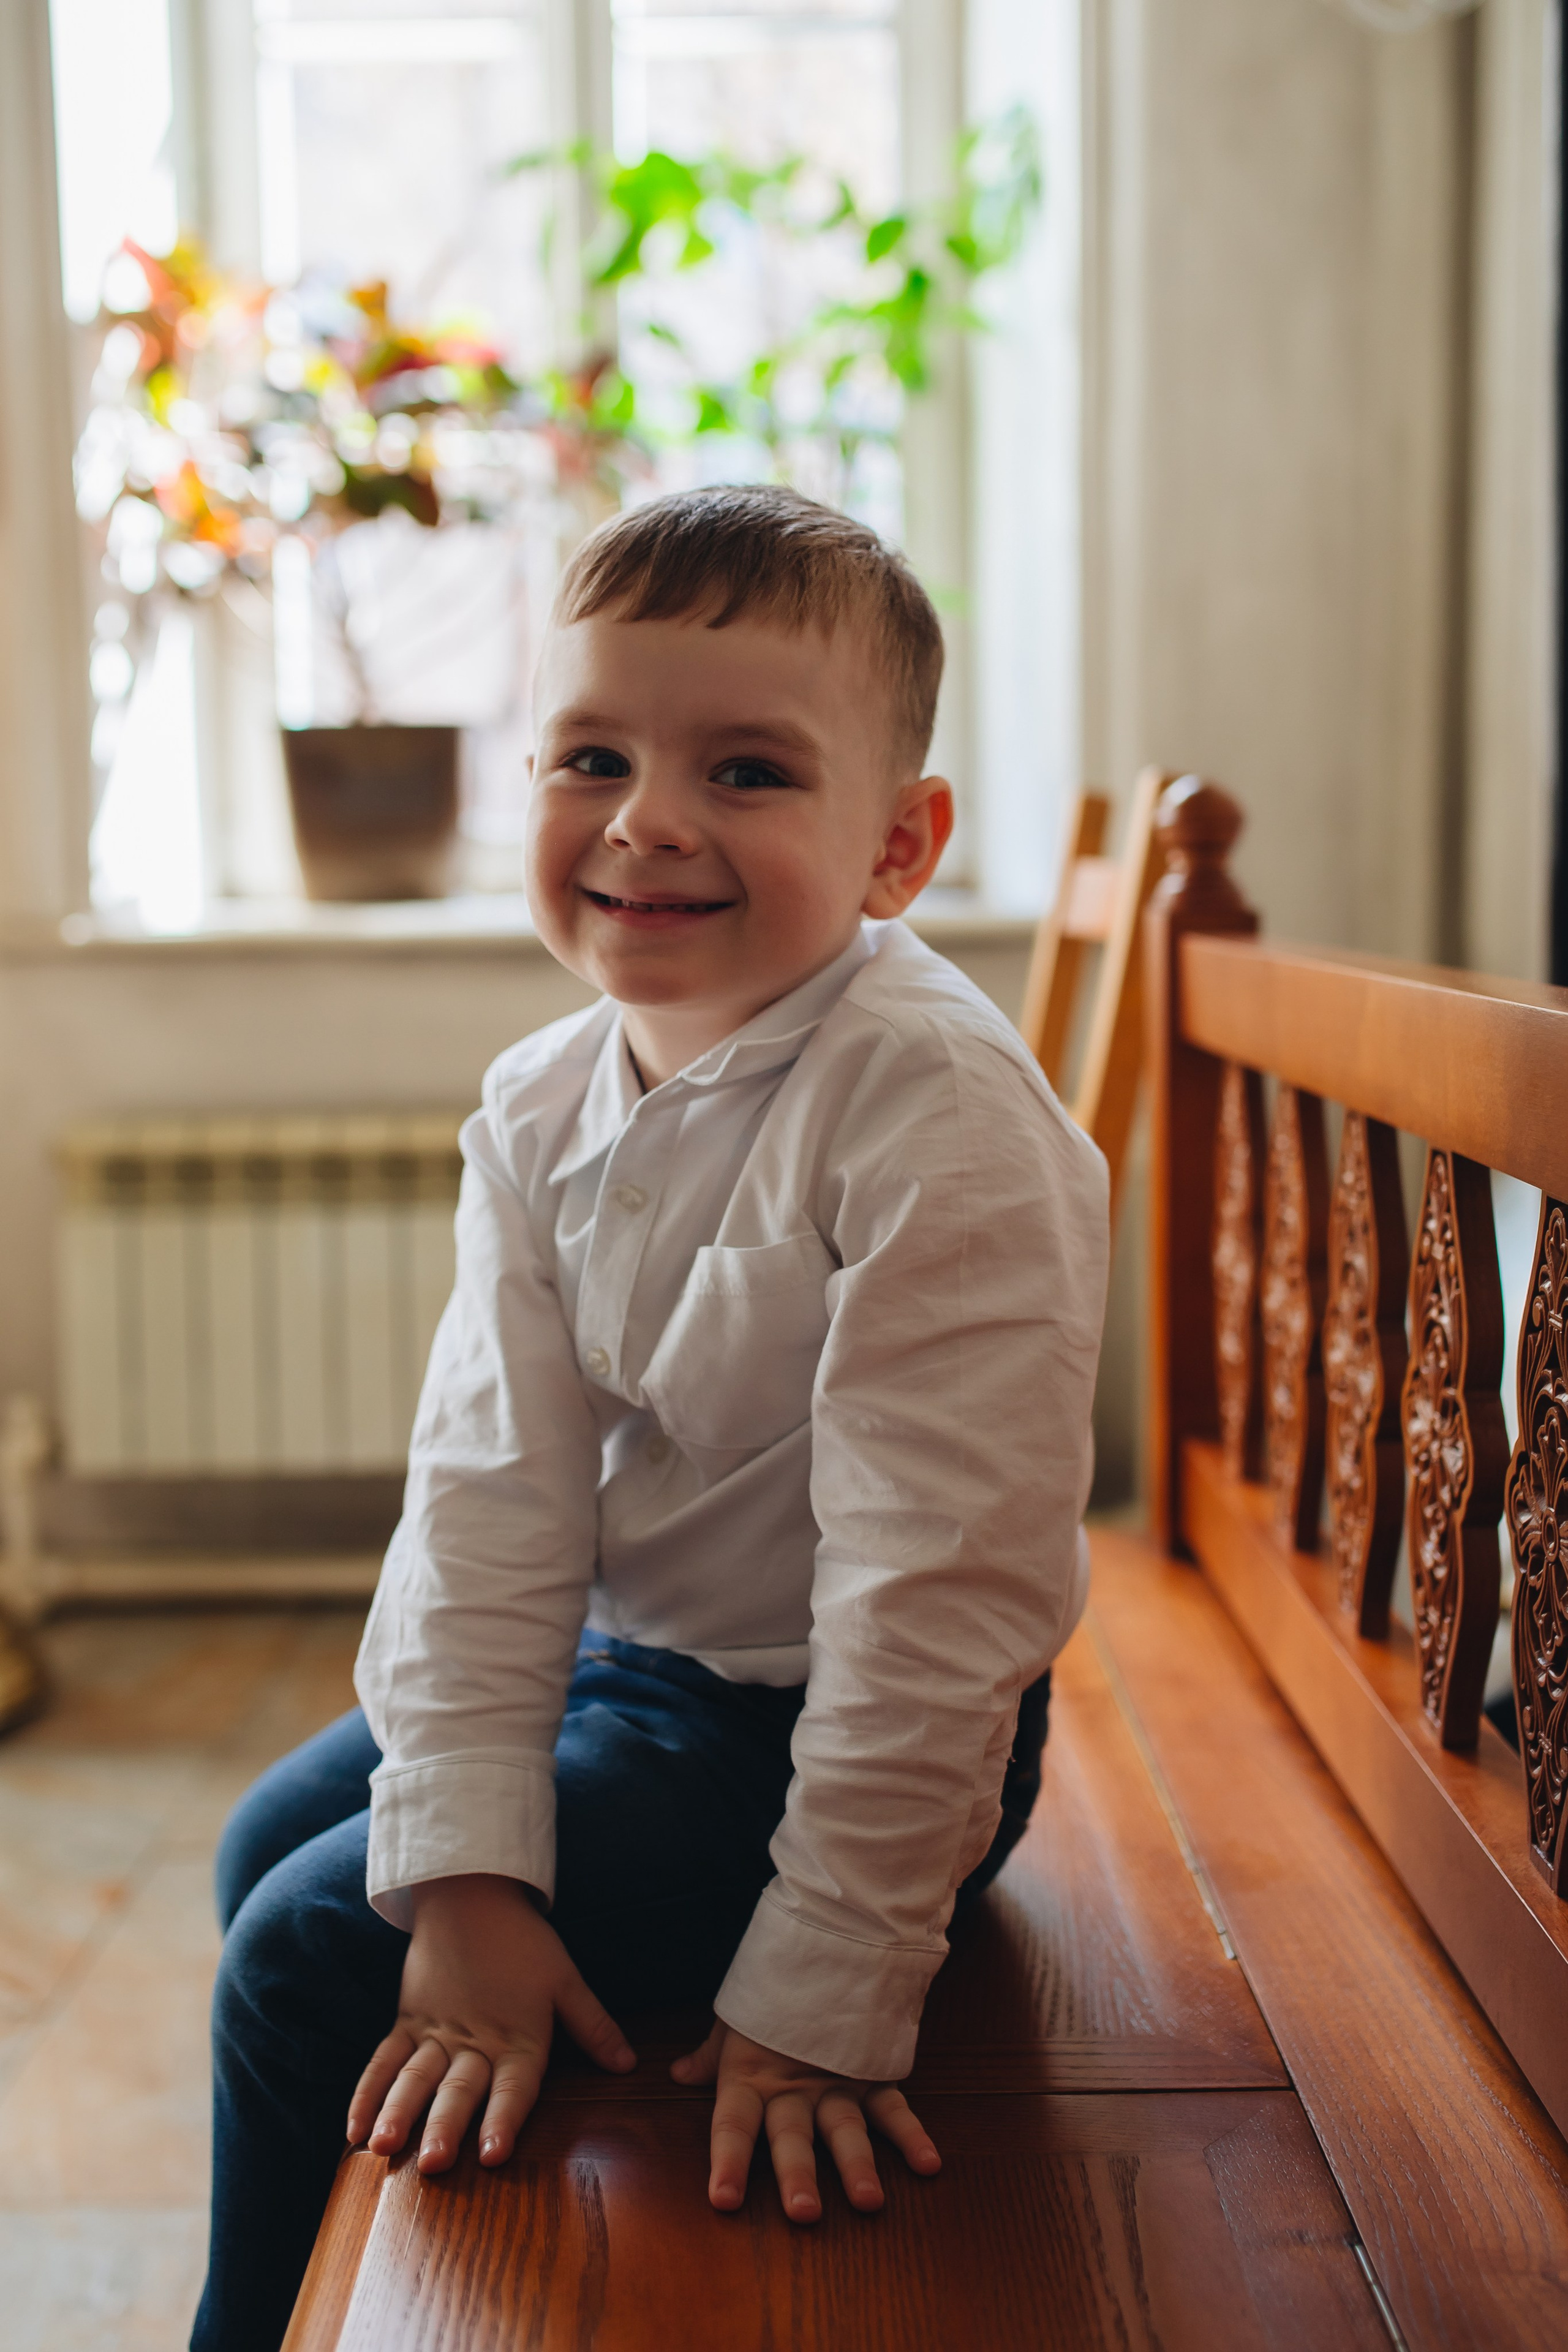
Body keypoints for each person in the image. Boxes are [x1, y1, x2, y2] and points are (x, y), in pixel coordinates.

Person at [190, 484, 1108, 2352]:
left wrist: (831, 1980)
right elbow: (486, 1499)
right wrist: (466, 1866)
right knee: (270, 1847)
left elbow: (940, 1598)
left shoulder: (938, 1114)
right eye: (592, 757)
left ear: (898, 848)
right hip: (634, 1661)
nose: (647, 821)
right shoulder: (540, 1102)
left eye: (747, 772)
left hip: (832, 1729)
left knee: (300, 1957)